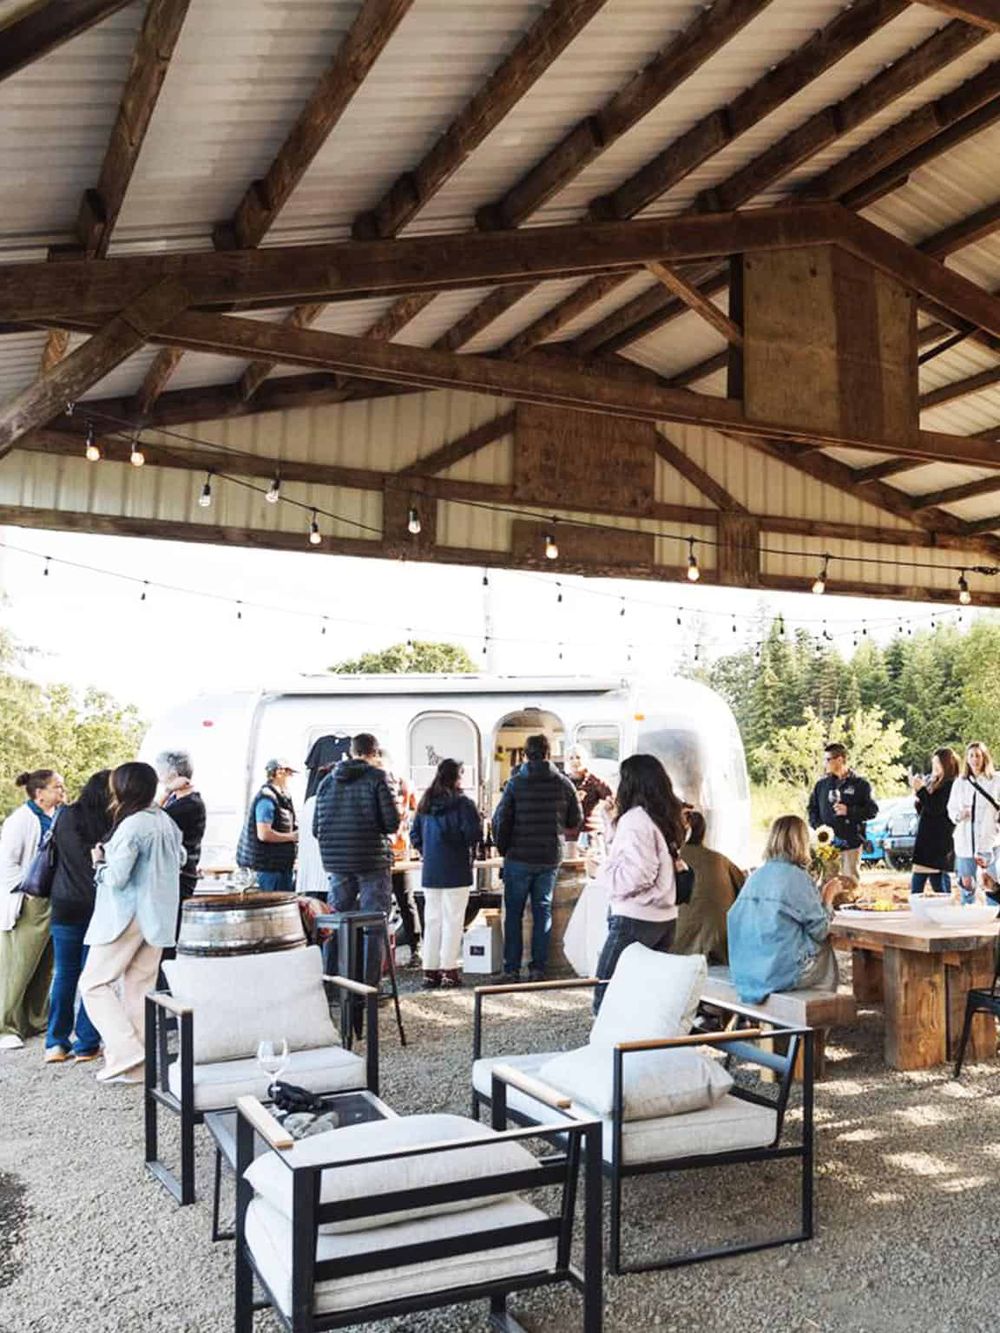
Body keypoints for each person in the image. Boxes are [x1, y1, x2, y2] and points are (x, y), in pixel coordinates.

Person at [79, 762, 184, 1083]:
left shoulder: (133, 825)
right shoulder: (165, 820)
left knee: (93, 984)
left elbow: (117, 877)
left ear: (123, 789)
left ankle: (127, 1053)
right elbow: (181, 859)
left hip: (126, 914)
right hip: (159, 916)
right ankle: (137, 1069)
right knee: (138, 989)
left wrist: (99, 862)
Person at [591, 754, 686, 1012]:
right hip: (664, 918)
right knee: (646, 1000)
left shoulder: (636, 820)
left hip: (635, 918)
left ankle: (609, 1051)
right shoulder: (661, 817)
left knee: (606, 998)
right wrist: (611, 824)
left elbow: (637, 874)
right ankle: (641, 1049)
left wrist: (600, 872)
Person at [313, 733, 400, 989]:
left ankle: (331, 983)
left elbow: (316, 829)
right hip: (372, 860)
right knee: (374, 923)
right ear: (373, 752)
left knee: (336, 923)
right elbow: (392, 822)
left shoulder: (327, 782)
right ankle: (369, 987)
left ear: (352, 751)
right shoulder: (377, 777)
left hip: (337, 863)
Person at [492, 734, 582, 983]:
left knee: (514, 913)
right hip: (549, 857)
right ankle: (537, 969)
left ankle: (511, 969)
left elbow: (502, 820)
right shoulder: (564, 784)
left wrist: (503, 849)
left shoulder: (515, 784)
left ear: (525, 754)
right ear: (549, 753)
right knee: (543, 911)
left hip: (518, 857)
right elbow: (575, 820)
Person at [728, 815, 840, 1005]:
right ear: (802, 842)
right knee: (826, 956)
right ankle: (819, 1022)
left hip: (746, 969)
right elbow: (821, 930)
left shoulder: (756, 876)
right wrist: (828, 897)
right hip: (777, 974)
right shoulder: (796, 877)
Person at [45, 770, 110, 1063]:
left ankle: (55, 1043)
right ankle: (86, 1044)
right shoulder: (113, 822)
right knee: (93, 977)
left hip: (64, 903)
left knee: (64, 973)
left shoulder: (65, 815)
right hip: (98, 906)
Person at [0, 768, 65, 1051]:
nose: (62, 792)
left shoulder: (57, 816)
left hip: (53, 899)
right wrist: (26, 890)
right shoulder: (21, 820)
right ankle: (6, 1026)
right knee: (18, 965)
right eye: (57, 788)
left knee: (45, 964)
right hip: (28, 900)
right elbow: (6, 862)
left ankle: (35, 1020)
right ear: (40, 793)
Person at [409, 759, 482, 990]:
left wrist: (426, 851)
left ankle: (429, 972)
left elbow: (414, 834)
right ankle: (449, 970)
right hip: (457, 869)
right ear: (458, 777)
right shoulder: (464, 804)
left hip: (431, 870)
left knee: (432, 921)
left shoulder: (425, 803)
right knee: (453, 920)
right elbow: (473, 834)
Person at [672, 809, 745, 965]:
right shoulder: (721, 861)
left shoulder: (668, 859)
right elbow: (745, 894)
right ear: (704, 832)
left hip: (676, 947)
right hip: (718, 948)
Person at [807, 742, 877, 881]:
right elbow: (812, 809)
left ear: (839, 759)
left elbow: (872, 810)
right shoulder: (821, 785)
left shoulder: (861, 784)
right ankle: (828, 904)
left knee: (849, 883)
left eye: (827, 760)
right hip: (827, 846)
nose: (824, 763)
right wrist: (820, 829)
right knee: (828, 882)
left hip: (850, 843)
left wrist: (849, 811)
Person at [380, 750, 423, 968]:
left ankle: (384, 955)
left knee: (383, 903)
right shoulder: (406, 783)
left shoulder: (378, 782)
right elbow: (417, 810)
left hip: (380, 852)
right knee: (406, 901)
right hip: (401, 849)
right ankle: (416, 950)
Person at [947, 741, 1000, 904]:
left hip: (989, 838)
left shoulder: (996, 780)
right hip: (965, 839)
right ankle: (968, 913)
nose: (975, 759)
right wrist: (960, 814)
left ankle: (994, 916)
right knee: (967, 883)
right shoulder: (960, 782)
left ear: (985, 758)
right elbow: (951, 808)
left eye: (978, 755)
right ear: (967, 759)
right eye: (971, 755)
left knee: (992, 882)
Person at [236, 758, 298, 893]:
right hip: (268, 868)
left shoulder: (280, 798)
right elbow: (264, 834)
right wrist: (292, 837)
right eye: (289, 774)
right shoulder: (267, 799)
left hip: (279, 866)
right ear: (279, 773)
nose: (290, 778)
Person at [155, 749, 206, 902]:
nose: (159, 777)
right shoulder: (176, 800)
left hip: (180, 876)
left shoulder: (189, 805)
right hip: (176, 873)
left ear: (174, 774)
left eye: (161, 772)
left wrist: (167, 790)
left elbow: (149, 818)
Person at [909, 748, 959, 897]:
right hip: (929, 839)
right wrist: (920, 794)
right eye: (933, 763)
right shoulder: (936, 782)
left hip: (936, 840)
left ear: (946, 764)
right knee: (937, 878)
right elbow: (926, 809)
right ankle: (946, 906)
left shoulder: (950, 785)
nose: (934, 767)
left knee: (921, 879)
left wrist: (921, 790)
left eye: (937, 763)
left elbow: (936, 808)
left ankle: (936, 906)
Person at [566, 744, 612, 846]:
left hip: (590, 833)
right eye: (571, 758)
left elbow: (611, 798)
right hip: (567, 835)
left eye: (578, 757)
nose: (575, 761)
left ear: (585, 760)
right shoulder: (562, 782)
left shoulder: (594, 781)